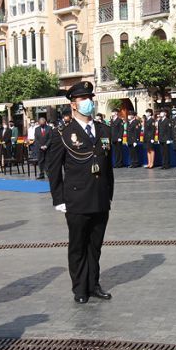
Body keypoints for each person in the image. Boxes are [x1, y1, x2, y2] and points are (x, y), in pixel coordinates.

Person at [46, 82, 115, 304]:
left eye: (90, 98)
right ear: (73, 104)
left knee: (95, 246)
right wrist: (58, 198)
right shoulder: (64, 133)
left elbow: (108, 165)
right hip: (76, 198)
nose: (88, 102)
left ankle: (93, 283)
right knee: (78, 245)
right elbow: (54, 168)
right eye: (83, 99)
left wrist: (109, 192)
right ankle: (79, 288)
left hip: (100, 196)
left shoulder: (103, 129)